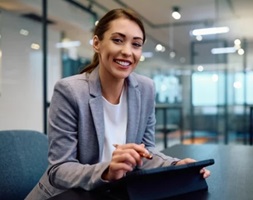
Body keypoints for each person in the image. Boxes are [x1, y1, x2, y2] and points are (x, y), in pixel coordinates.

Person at [25, 8, 210, 199]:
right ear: (97, 43)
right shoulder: (69, 91)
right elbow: (59, 169)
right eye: (117, 40)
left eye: (136, 44)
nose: (127, 52)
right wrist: (107, 171)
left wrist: (176, 166)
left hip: (111, 193)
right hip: (65, 195)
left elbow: (147, 152)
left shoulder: (146, 89)